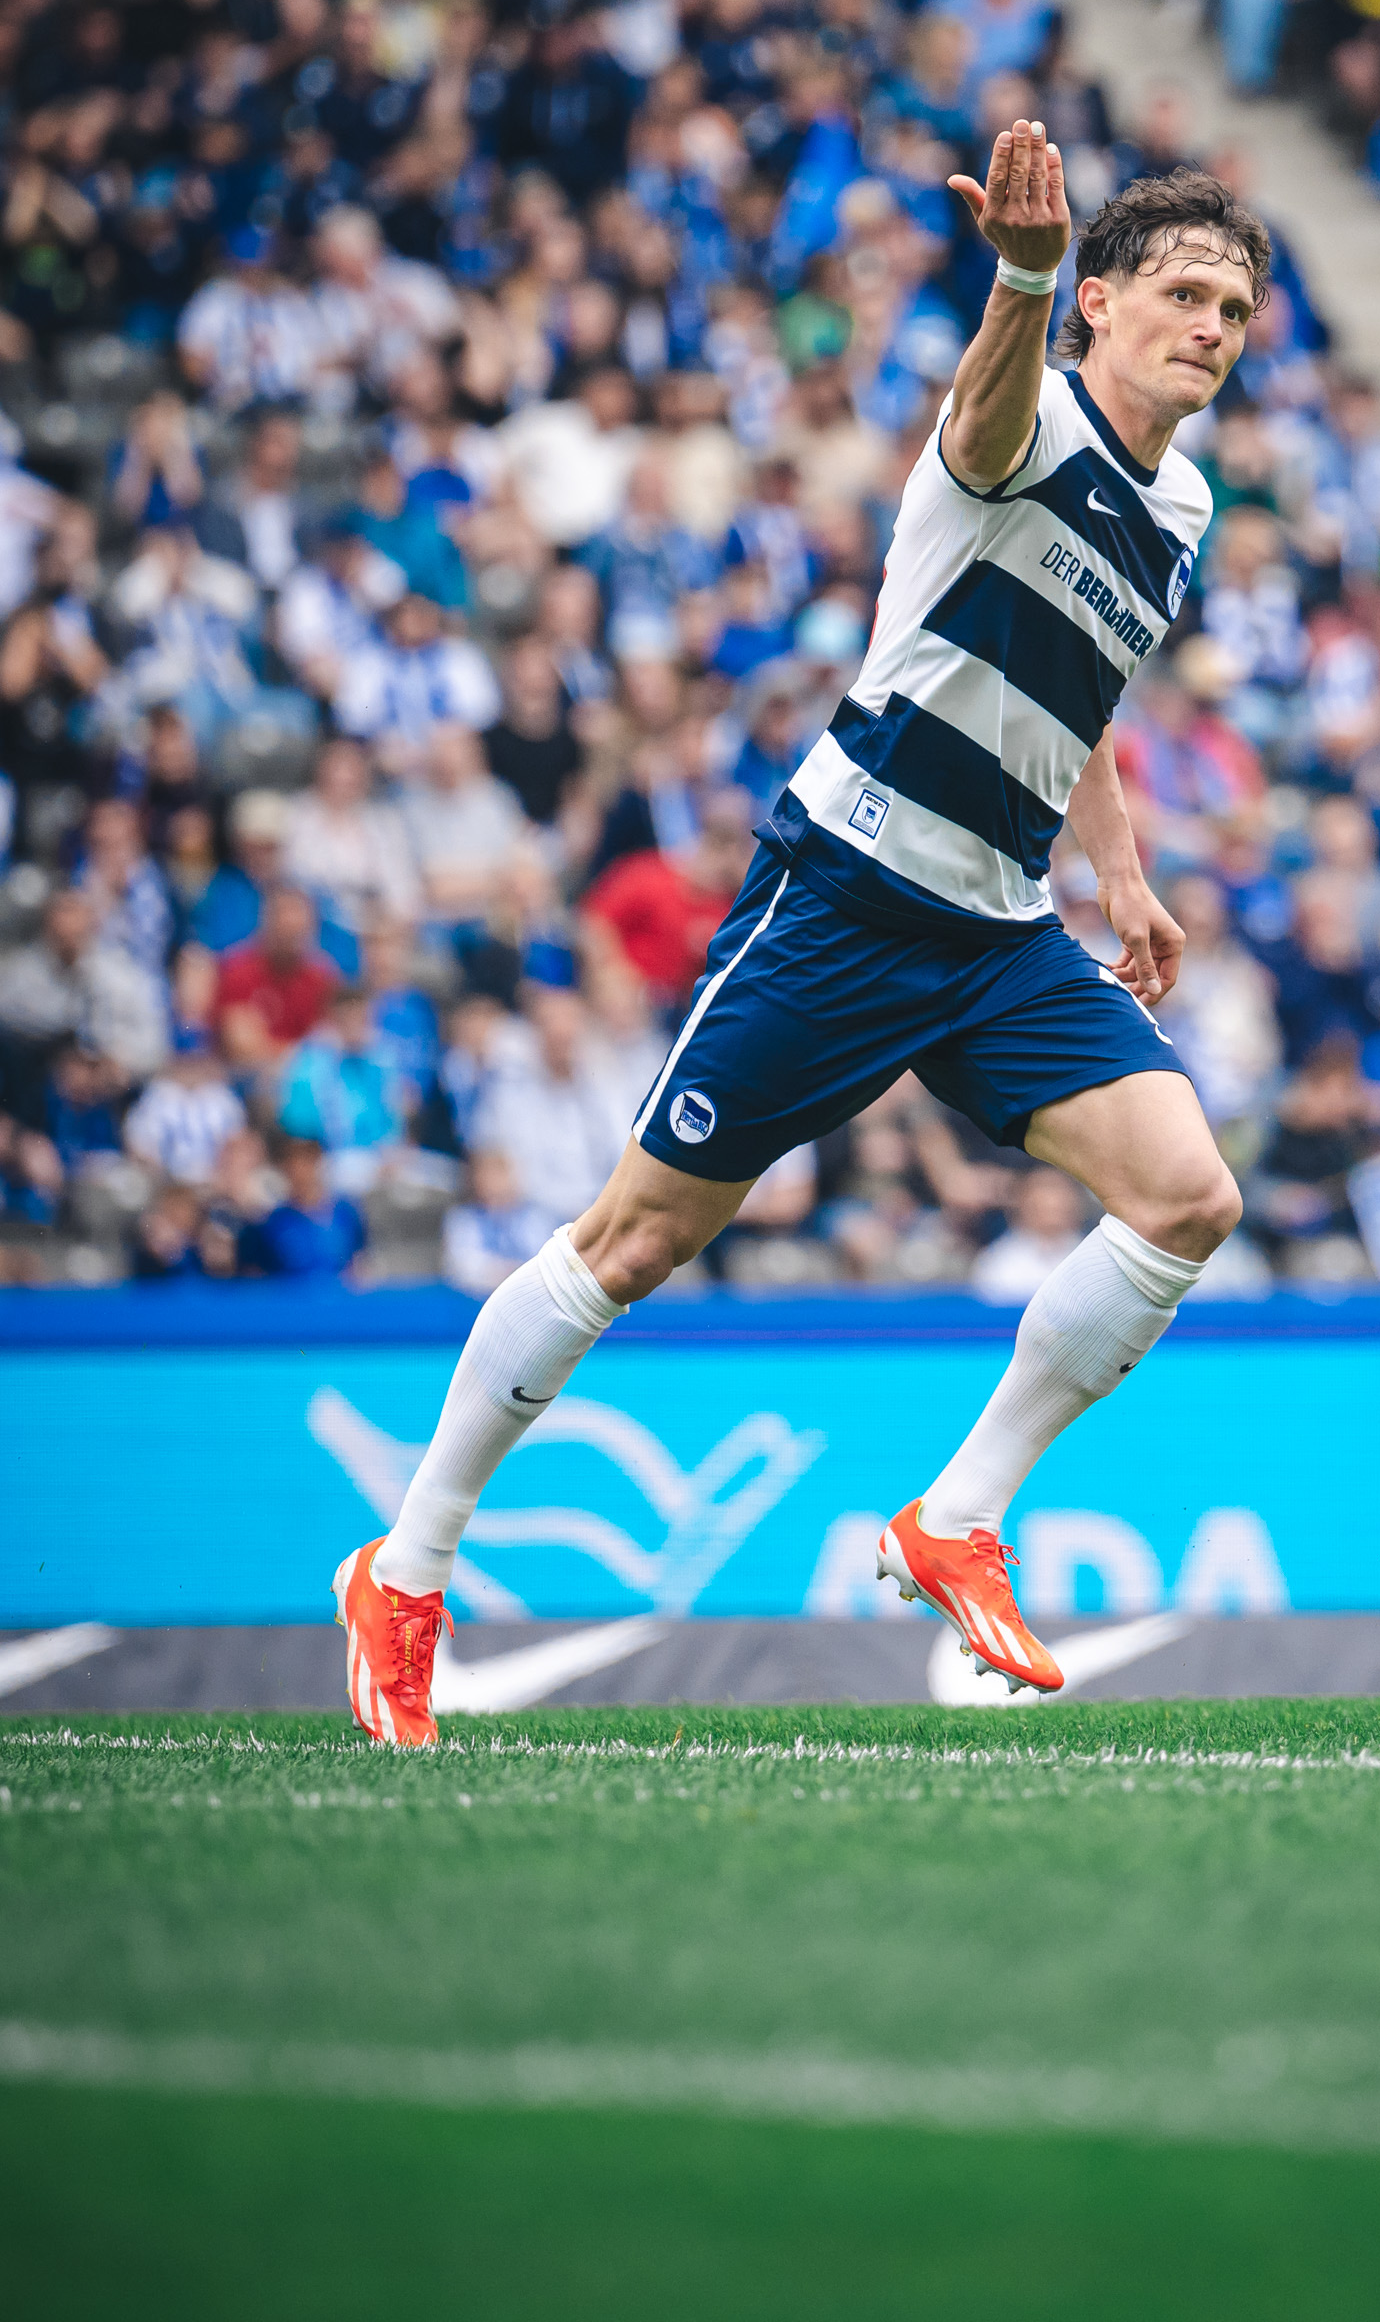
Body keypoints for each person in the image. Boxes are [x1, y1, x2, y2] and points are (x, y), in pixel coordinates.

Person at [335, 134, 1255, 1743]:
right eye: (1185, 291)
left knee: (1190, 1197)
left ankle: (956, 1521)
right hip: (846, 895)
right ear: (1100, 301)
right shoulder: (1025, 417)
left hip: (998, 927)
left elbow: (1081, 686)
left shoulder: (1179, 502)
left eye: (1236, 308)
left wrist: (1121, 874)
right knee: (633, 1243)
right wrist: (1019, 278)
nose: (1215, 325)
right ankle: (405, 1572)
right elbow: (985, 420)